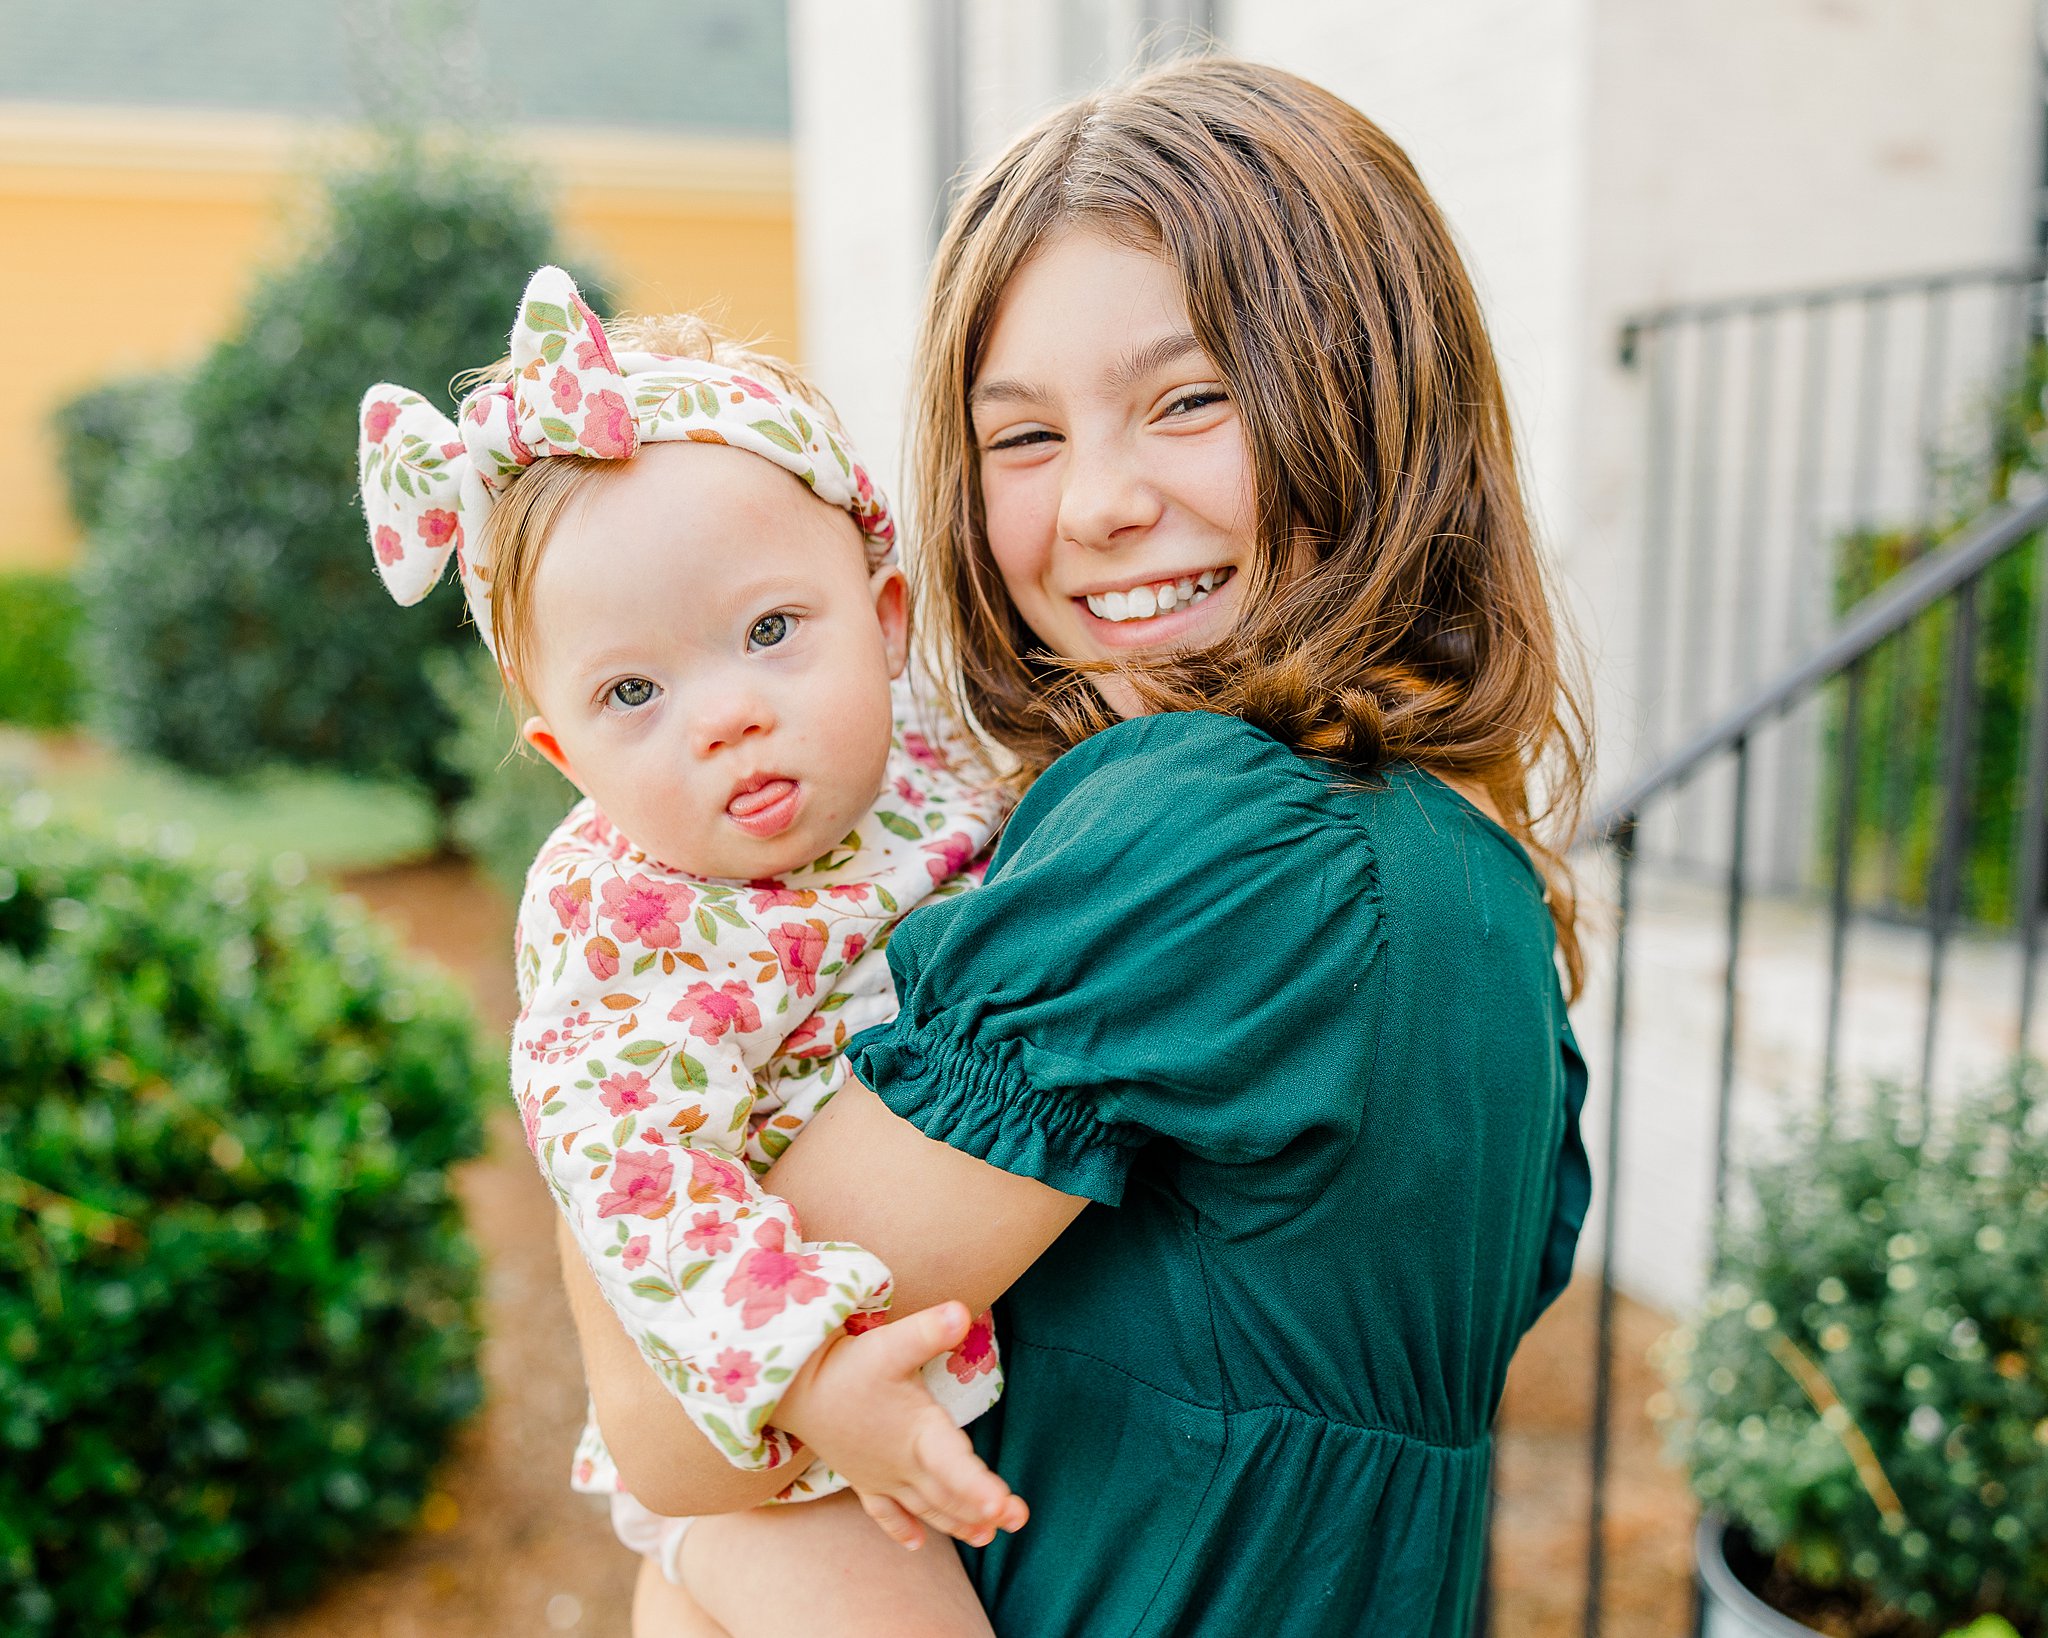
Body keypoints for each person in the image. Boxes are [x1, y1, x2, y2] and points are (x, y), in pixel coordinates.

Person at [560, 55, 1595, 1637]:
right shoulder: (1480, 870)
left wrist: (592, 1008)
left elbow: (676, 1431)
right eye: (1021, 438)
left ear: (1377, 400)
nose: (1100, 502)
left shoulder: (1208, 827)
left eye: (1190, 399)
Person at [356, 267, 1026, 1637]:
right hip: (768, 1444)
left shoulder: (947, 769)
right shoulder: (629, 919)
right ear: (566, 757)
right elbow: (635, 1175)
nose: (724, 714)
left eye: (773, 631)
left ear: (887, 615)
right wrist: (808, 1376)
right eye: (631, 693)